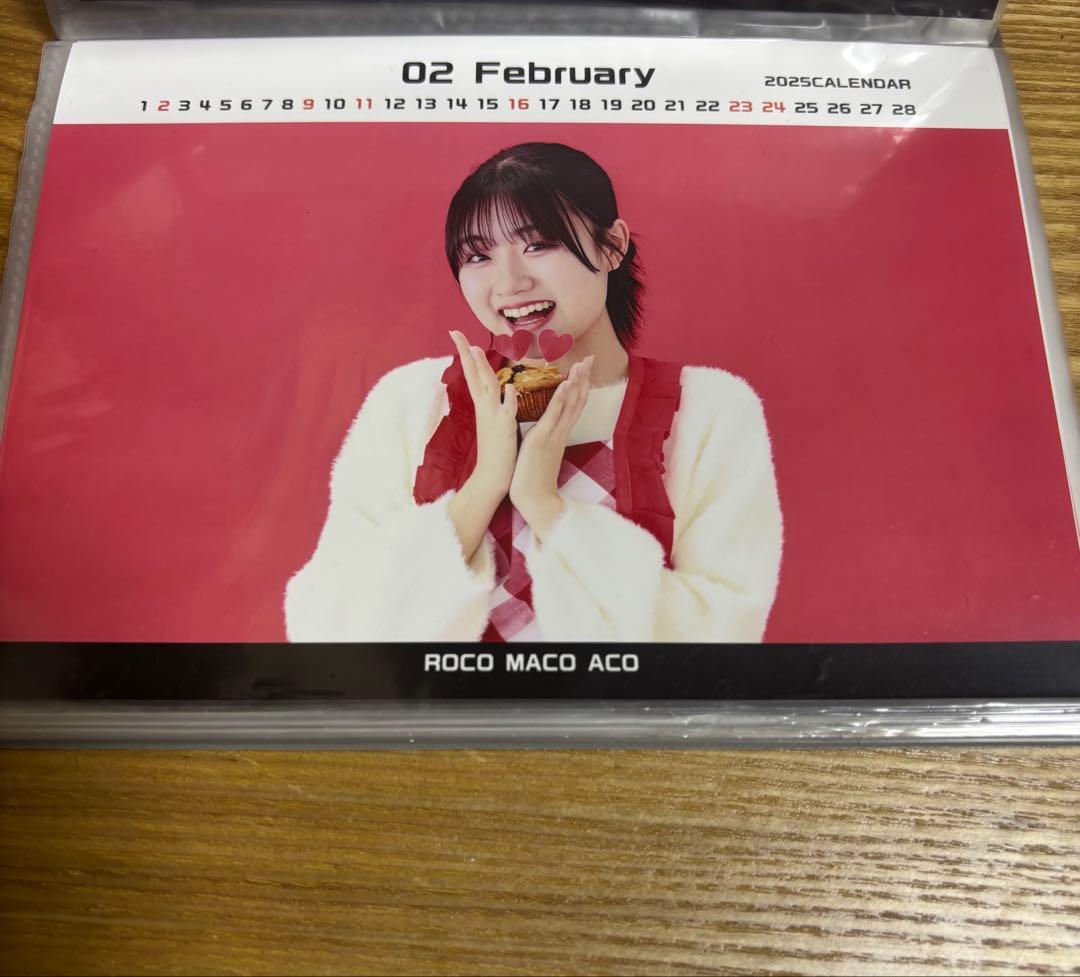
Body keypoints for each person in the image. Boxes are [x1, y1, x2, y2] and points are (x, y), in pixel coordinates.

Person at [285, 142, 783, 642]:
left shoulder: (708, 410)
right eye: (478, 255)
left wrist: (546, 505)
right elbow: (328, 625)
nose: (510, 283)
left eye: (539, 244)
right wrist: (484, 485)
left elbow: (721, 632)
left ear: (612, 246)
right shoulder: (413, 401)